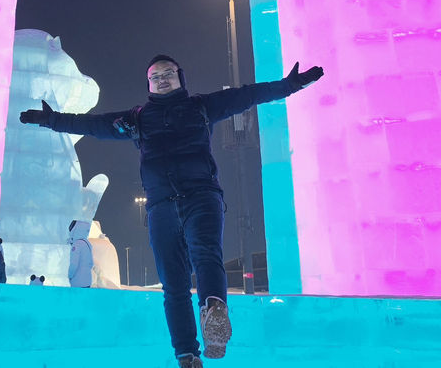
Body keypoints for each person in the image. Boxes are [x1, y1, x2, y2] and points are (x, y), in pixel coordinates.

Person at [20, 54, 323, 368]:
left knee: (205, 253)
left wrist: (289, 86)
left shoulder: (202, 106)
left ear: (180, 77)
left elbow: (247, 96)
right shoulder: (137, 120)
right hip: (161, 207)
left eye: (167, 73)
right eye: (155, 77)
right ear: (149, 85)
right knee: (174, 283)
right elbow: (94, 125)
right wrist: (52, 120)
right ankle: (187, 355)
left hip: (201, 196)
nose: (161, 79)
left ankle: (214, 310)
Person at [67, 219, 94, 288]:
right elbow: (91, 263)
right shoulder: (87, 244)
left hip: (78, 282)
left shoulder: (76, 245)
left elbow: (73, 264)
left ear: (76, 229)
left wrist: (70, 276)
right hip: (87, 281)